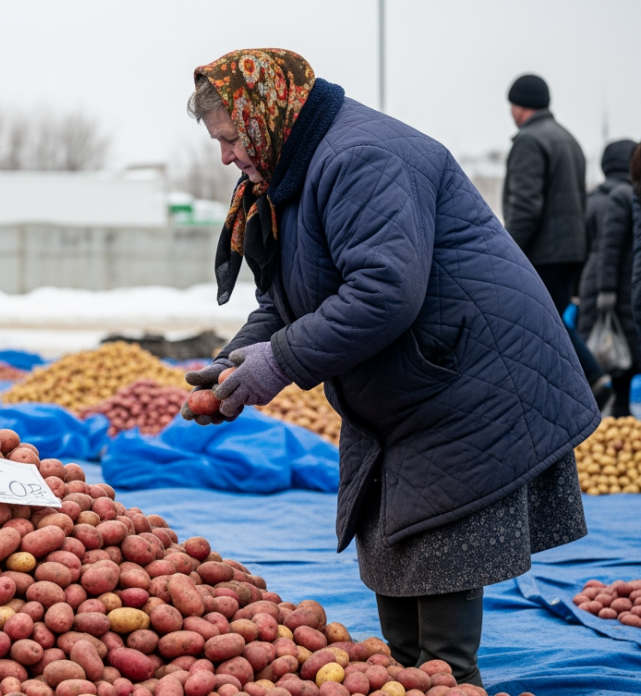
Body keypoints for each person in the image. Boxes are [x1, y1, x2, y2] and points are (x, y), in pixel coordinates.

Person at [180, 49, 594, 686]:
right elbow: (286, 301)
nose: (227, 156)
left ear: (265, 115)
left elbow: (383, 291)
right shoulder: (289, 172)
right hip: (408, 380)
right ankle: (411, 675)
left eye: (231, 138)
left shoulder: (360, 158)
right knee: (395, 557)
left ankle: (450, 680)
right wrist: (236, 362)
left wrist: (280, 361)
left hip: (467, 374)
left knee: (440, 564)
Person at [502, 74, 607, 399]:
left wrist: (506, 249)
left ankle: (591, 379)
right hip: (572, 250)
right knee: (551, 319)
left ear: (520, 106)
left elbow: (525, 205)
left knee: (539, 322)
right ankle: (579, 385)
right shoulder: (568, 139)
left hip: (543, 252)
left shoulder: (529, 141)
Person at [578, 140, 639, 417]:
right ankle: (617, 416)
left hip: (599, 285)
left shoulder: (593, 198)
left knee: (611, 355)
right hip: (613, 288)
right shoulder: (622, 197)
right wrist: (606, 291)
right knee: (619, 357)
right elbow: (610, 247)